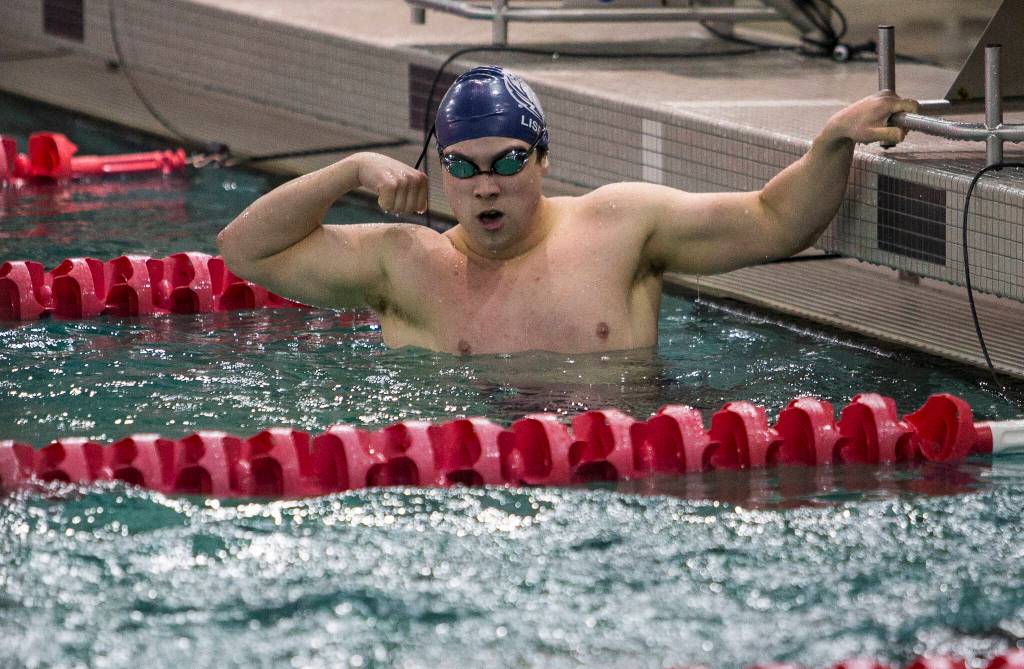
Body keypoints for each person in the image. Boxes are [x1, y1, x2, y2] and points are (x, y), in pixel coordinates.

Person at [217, 65, 918, 355]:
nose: (485, 187)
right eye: (462, 167)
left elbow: (775, 221)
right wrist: (349, 169)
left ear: (543, 158)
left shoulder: (620, 226)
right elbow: (243, 249)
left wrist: (832, 142)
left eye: (508, 162)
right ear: (441, 171)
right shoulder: (403, 265)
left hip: (626, 473)